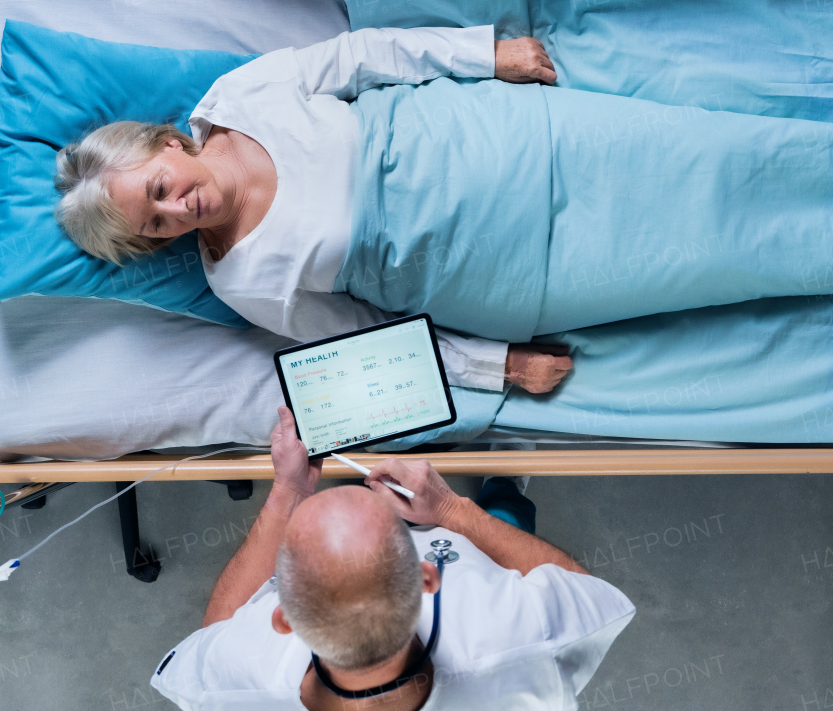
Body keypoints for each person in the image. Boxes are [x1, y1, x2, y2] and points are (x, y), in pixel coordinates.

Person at [56, 27, 572, 397]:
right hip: (510, 269)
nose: (176, 209)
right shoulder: (240, 281)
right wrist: (496, 366)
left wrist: (485, 55)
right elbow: (369, 336)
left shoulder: (237, 99)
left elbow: (364, 56)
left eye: (158, 188)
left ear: (168, 144)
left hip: (503, 135)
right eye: (157, 224)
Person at [150, 407, 635, 710]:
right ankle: (502, 485)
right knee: (502, 518)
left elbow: (215, 632)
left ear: (282, 619)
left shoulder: (235, 678)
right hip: (478, 561)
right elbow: (580, 587)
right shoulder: (521, 630)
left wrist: (288, 491)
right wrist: (450, 511)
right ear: (428, 577)